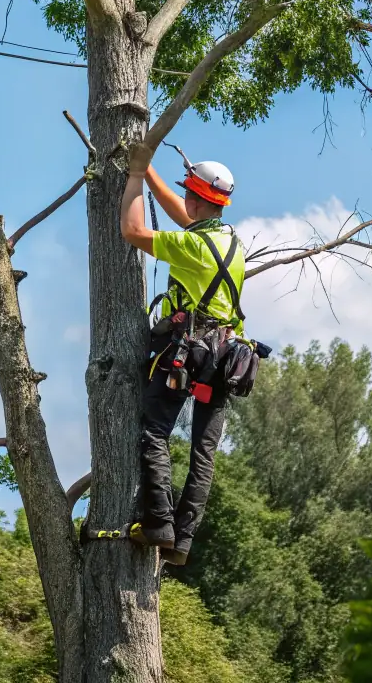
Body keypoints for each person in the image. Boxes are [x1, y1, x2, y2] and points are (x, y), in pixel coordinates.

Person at [120, 143, 246, 566]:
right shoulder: (231, 244)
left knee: (154, 430)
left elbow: (134, 232)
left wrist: (135, 178)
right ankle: (183, 538)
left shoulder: (192, 250)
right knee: (203, 452)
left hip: (189, 354)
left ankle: (158, 522)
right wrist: (148, 169)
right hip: (224, 359)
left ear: (196, 198)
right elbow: (186, 217)